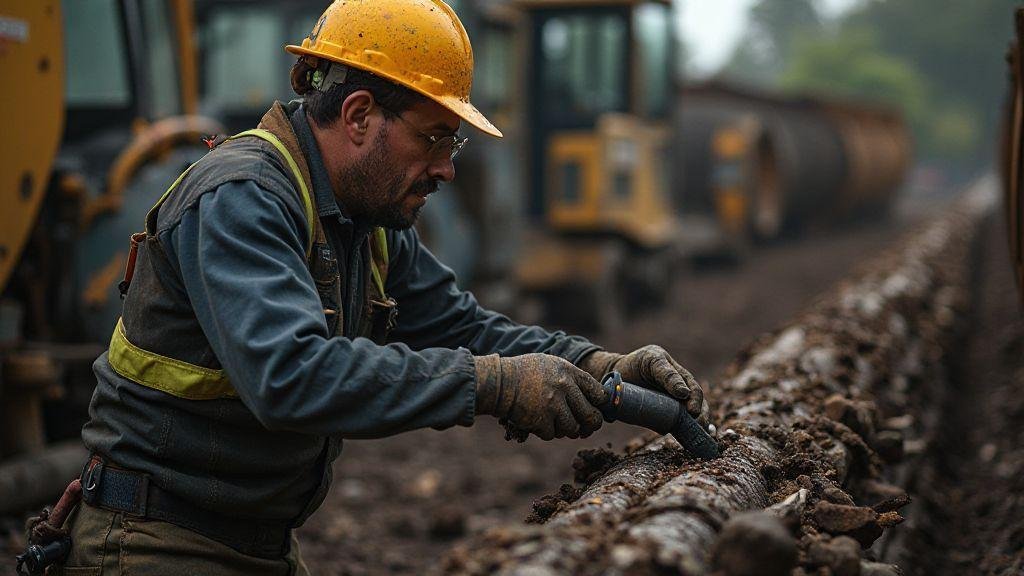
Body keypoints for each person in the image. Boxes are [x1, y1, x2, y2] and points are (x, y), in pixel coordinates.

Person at [57, 0, 710, 573]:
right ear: (360, 115)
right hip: (156, 546)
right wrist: (492, 385)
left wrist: (596, 363)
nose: (446, 170)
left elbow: (466, 327)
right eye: (433, 139)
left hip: (255, 545)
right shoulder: (242, 199)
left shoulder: (364, 222)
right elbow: (290, 377)